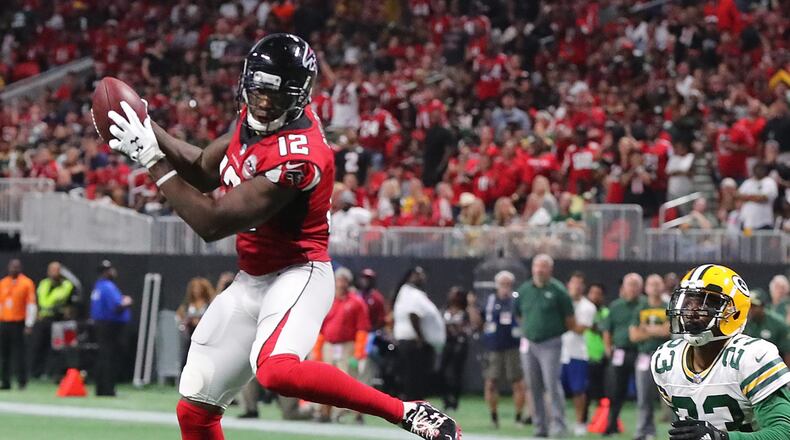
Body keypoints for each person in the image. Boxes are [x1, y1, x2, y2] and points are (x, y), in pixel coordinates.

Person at [105, 33, 459, 439]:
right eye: (257, 91)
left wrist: (152, 160)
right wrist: (148, 129)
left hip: (298, 273)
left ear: (299, 95)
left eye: (275, 95)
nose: (263, 102)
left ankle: (405, 411)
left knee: (275, 370)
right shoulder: (252, 119)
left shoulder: (298, 156)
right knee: (195, 405)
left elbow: (212, 222)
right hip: (252, 279)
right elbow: (203, 168)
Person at [652, 264, 790, 439]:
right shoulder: (666, 360)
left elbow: (784, 432)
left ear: (734, 312)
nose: (691, 311)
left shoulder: (751, 357)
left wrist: (721, 438)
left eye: (706, 303)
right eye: (688, 301)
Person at [515, 254, 575, 437]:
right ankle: (539, 426)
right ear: (532, 268)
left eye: (543, 267)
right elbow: (518, 314)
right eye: (537, 266)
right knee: (533, 386)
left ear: (550, 269)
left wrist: (551, 331)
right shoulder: (524, 289)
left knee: (552, 384)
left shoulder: (559, 291)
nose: (539, 270)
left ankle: (559, 425)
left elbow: (570, 320)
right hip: (529, 343)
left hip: (551, 343)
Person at [313, 267, 370, 423]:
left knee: (346, 379)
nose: (341, 284)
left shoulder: (356, 302)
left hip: (347, 346)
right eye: (338, 280)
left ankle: (343, 412)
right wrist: (317, 349)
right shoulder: (328, 300)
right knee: (323, 379)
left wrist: (358, 352)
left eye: (344, 280)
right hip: (328, 345)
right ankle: (323, 411)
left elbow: (362, 329)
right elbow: (321, 327)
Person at [481, 272, 528, 428]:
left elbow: (524, 319)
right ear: (497, 285)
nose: (505, 287)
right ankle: (494, 418)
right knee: (491, 383)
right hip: (494, 347)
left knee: (517, 383)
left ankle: (518, 418)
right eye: (502, 284)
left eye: (508, 284)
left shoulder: (517, 300)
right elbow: (482, 321)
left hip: (513, 347)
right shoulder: (490, 300)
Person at [392, 266, 446, 402]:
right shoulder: (411, 293)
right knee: (414, 377)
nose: (422, 278)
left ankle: (414, 403)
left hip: (410, 341)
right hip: (412, 342)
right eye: (418, 275)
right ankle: (415, 404)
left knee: (413, 377)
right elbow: (413, 314)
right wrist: (420, 337)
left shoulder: (409, 293)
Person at [602, 273, 646, 436]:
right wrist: (608, 349)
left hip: (641, 351)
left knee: (644, 393)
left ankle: (643, 428)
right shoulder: (616, 306)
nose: (633, 288)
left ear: (641, 288)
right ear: (624, 287)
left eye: (636, 285)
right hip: (620, 351)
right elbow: (607, 329)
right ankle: (611, 424)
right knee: (616, 390)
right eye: (630, 284)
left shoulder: (645, 305)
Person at [628, 274, 670, 440]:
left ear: (662, 286)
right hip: (644, 355)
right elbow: (633, 336)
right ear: (645, 288)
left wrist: (646, 329)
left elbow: (668, 331)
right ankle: (644, 431)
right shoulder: (640, 307)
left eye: (657, 283)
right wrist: (657, 330)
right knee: (643, 396)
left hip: (666, 356)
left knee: (672, 397)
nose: (654, 287)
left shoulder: (668, 306)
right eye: (651, 284)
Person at [561, 271, 597, 436]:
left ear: (583, 287)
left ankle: (580, 422)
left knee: (578, 391)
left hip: (577, 354)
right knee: (554, 389)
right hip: (558, 352)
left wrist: (560, 321)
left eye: (579, 283)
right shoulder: (560, 301)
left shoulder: (588, 307)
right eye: (573, 282)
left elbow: (579, 329)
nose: (576, 286)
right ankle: (557, 420)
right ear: (568, 284)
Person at [90, 260, 133, 396]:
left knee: (103, 356)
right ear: (107, 272)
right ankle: (108, 389)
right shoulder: (108, 287)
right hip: (110, 327)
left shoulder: (98, 286)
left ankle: (100, 388)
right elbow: (117, 306)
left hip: (101, 325)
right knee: (109, 357)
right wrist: (127, 302)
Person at [30, 261, 74, 379]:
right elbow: (39, 299)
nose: (53, 272)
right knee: (39, 346)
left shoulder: (66, 285)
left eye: (56, 270)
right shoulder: (44, 283)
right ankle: (36, 372)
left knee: (58, 347)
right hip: (44, 318)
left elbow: (68, 300)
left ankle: (56, 373)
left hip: (58, 319)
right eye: (51, 270)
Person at [440, 286, 479, 412]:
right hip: (446, 344)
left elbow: (474, 325)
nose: (454, 297)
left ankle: (454, 401)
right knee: (443, 372)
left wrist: (471, 305)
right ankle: (445, 400)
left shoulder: (465, 312)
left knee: (456, 373)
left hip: (459, 344)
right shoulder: (445, 310)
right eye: (452, 294)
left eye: (457, 294)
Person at [0, 259, 36, 390]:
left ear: (20, 268)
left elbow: (31, 304)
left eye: (16, 267)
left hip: (18, 322)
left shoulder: (26, 283)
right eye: (11, 267)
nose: (13, 269)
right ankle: (5, 381)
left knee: (19, 353)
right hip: (4, 321)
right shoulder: (3, 283)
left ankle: (22, 381)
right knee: (4, 354)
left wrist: (29, 323)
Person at [175, 277, 216, 368]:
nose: (197, 291)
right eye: (195, 288)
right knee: (186, 357)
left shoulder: (208, 303)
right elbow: (179, 315)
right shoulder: (187, 303)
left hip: (204, 336)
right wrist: (185, 322)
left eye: (199, 288)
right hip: (190, 334)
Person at [583, 283, 609, 425]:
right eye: (592, 293)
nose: (595, 296)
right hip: (585, 356)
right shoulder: (583, 311)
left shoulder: (605, 313)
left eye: (598, 293)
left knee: (601, 393)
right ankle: (583, 420)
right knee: (584, 392)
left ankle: (601, 421)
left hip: (601, 357)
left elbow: (603, 329)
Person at [743, 289, 790, 365]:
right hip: (749, 364)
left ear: (763, 306)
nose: (750, 309)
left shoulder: (777, 323)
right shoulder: (744, 321)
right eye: (749, 306)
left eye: (754, 306)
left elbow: (787, 352)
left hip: (773, 366)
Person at [737, 162, 778, 231]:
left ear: (765, 170)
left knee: (764, 241)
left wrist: (746, 197)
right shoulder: (748, 182)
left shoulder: (769, 182)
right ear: (753, 170)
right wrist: (755, 197)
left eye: (761, 169)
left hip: (764, 223)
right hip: (747, 223)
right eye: (757, 168)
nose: (759, 171)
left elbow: (763, 198)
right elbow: (737, 195)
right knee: (746, 241)